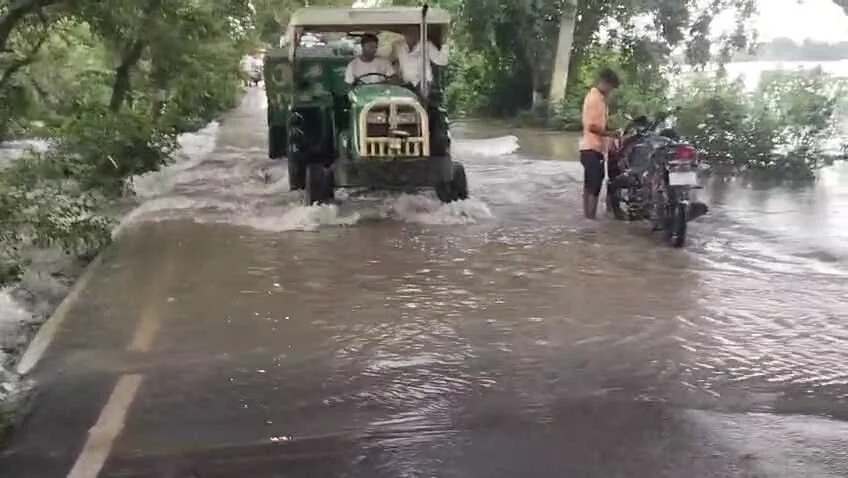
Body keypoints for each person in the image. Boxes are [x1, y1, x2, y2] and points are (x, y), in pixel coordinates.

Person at [578, 67, 620, 219]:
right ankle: (590, 219)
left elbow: (598, 125)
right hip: (592, 148)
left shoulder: (596, 97)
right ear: (605, 83)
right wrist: (612, 134)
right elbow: (593, 127)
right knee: (594, 186)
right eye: (611, 87)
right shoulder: (596, 99)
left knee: (589, 184)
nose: (611, 91)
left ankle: (587, 218)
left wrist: (609, 130)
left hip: (589, 148)